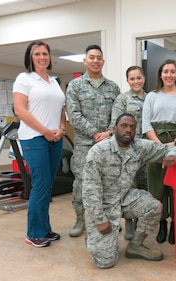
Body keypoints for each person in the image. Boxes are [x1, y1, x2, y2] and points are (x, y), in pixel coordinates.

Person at [83, 113, 176, 268]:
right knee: (105, 262)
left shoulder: (139, 146)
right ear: (115, 128)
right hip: (104, 205)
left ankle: (135, 245)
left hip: (126, 198)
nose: (128, 130)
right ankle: (95, 235)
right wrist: (99, 219)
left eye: (132, 127)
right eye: (124, 126)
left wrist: (172, 155)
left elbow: (168, 150)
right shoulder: (98, 152)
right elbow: (90, 191)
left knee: (154, 206)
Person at [13, 40, 67, 247]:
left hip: (55, 138)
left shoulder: (53, 81)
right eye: (37, 54)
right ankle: (34, 233)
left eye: (45, 53)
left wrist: (61, 128)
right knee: (40, 186)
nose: (42, 57)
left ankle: (44, 229)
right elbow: (20, 110)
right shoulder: (24, 79)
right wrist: (45, 131)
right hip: (34, 139)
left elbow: (61, 109)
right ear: (30, 57)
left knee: (47, 186)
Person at [65, 45, 120, 238]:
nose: (95, 61)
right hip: (84, 146)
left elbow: (118, 115)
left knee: (108, 184)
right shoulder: (75, 86)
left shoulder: (113, 87)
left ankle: (109, 219)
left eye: (99, 58)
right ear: (85, 61)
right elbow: (74, 115)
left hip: (107, 145)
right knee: (81, 184)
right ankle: (80, 220)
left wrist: (107, 133)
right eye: (91, 57)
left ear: (103, 62)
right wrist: (96, 133)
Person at [142, 59, 176, 245]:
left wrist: (174, 144)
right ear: (160, 74)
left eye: (173, 71)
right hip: (155, 141)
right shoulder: (151, 96)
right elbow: (146, 123)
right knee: (158, 185)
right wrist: (160, 146)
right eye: (166, 71)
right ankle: (162, 223)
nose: (169, 75)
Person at [110, 65, 147, 241]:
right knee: (130, 187)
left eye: (138, 77)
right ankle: (130, 224)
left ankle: (142, 222)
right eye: (132, 78)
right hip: (128, 150)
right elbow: (115, 126)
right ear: (127, 81)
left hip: (146, 150)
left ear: (144, 78)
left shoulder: (151, 98)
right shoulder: (122, 99)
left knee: (145, 186)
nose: (136, 81)